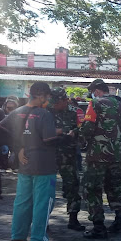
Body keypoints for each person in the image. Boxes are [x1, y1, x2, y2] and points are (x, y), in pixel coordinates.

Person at [0, 82, 58, 241]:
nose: (48, 100)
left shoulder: (17, 112)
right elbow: (49, 140)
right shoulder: (44, 114)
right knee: (42, 202)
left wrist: (18, 148)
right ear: (42, 96)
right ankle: (38, 239)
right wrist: (67, 136)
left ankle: (17, 237)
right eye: (48, 96)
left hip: (24, 165)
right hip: (44, 165)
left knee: (22, 201)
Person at [81, 79, 121, 239]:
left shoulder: (95, 104)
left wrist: (79, 140)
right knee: (114, 187)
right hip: (117, 158)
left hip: (97, 157)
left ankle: (98, 226)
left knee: (92, 189)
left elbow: (87, 129)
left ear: (97, 91)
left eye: (92, 92)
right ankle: (120, 218)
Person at [48, 88, 85, 231]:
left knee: (73, 186)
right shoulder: (47, 112)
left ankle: (73, 219)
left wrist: (74, 132)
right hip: (49, 155)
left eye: (59, 102)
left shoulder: (73, 112)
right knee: (45, 189)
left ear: (65, 100)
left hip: (68, 155)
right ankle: (43, 221)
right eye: (54, 102)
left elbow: (81, 129)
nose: (56, 105)